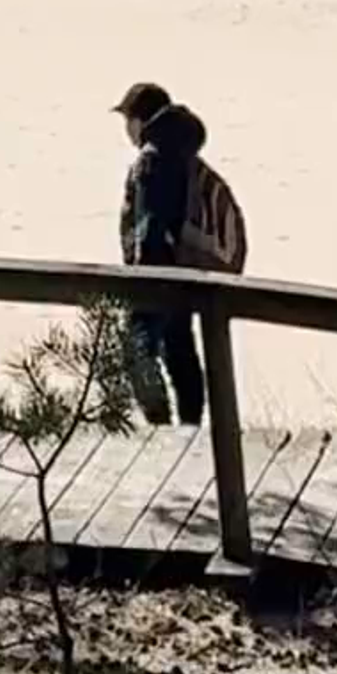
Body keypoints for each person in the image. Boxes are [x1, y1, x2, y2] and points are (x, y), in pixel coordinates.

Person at [114, 76, 242, 428]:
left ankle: (161, 428)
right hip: (185, 268)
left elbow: (151, 224)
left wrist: (144, 277)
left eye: (127, 118)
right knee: (180, 350)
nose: (126, 129)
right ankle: (191, 427)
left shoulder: (152, 159)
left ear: (139, 120)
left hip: (158, 272)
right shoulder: (183, 152)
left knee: (136, 349)